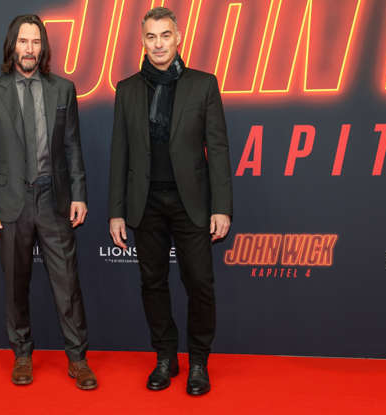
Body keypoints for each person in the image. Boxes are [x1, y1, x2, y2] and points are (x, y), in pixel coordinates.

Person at [108, 7, 233, 396]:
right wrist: (116, 212)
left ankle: (198, 361)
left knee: (200, 284)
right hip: (145, 203)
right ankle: (165, 357)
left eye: (165, 35)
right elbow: (120, 154)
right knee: (152, 283)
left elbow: (218, 149)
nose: (159, 44)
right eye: (151, 36)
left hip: (190, 203)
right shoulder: (127, 89)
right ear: (142, 41)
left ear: (178, 37)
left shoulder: (203, 85)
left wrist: (221, 207)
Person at [0, 14, 96, 390]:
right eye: (23, 41)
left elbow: (73, 146)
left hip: (53, 199)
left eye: (36, 42)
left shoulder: (63, 90)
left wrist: (79, 194)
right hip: (11, 202)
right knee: (16, 284)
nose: (29, 49)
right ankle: (22, 355)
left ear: (43, 47)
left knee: (67, 282)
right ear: (12, 46)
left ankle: (78, 359)